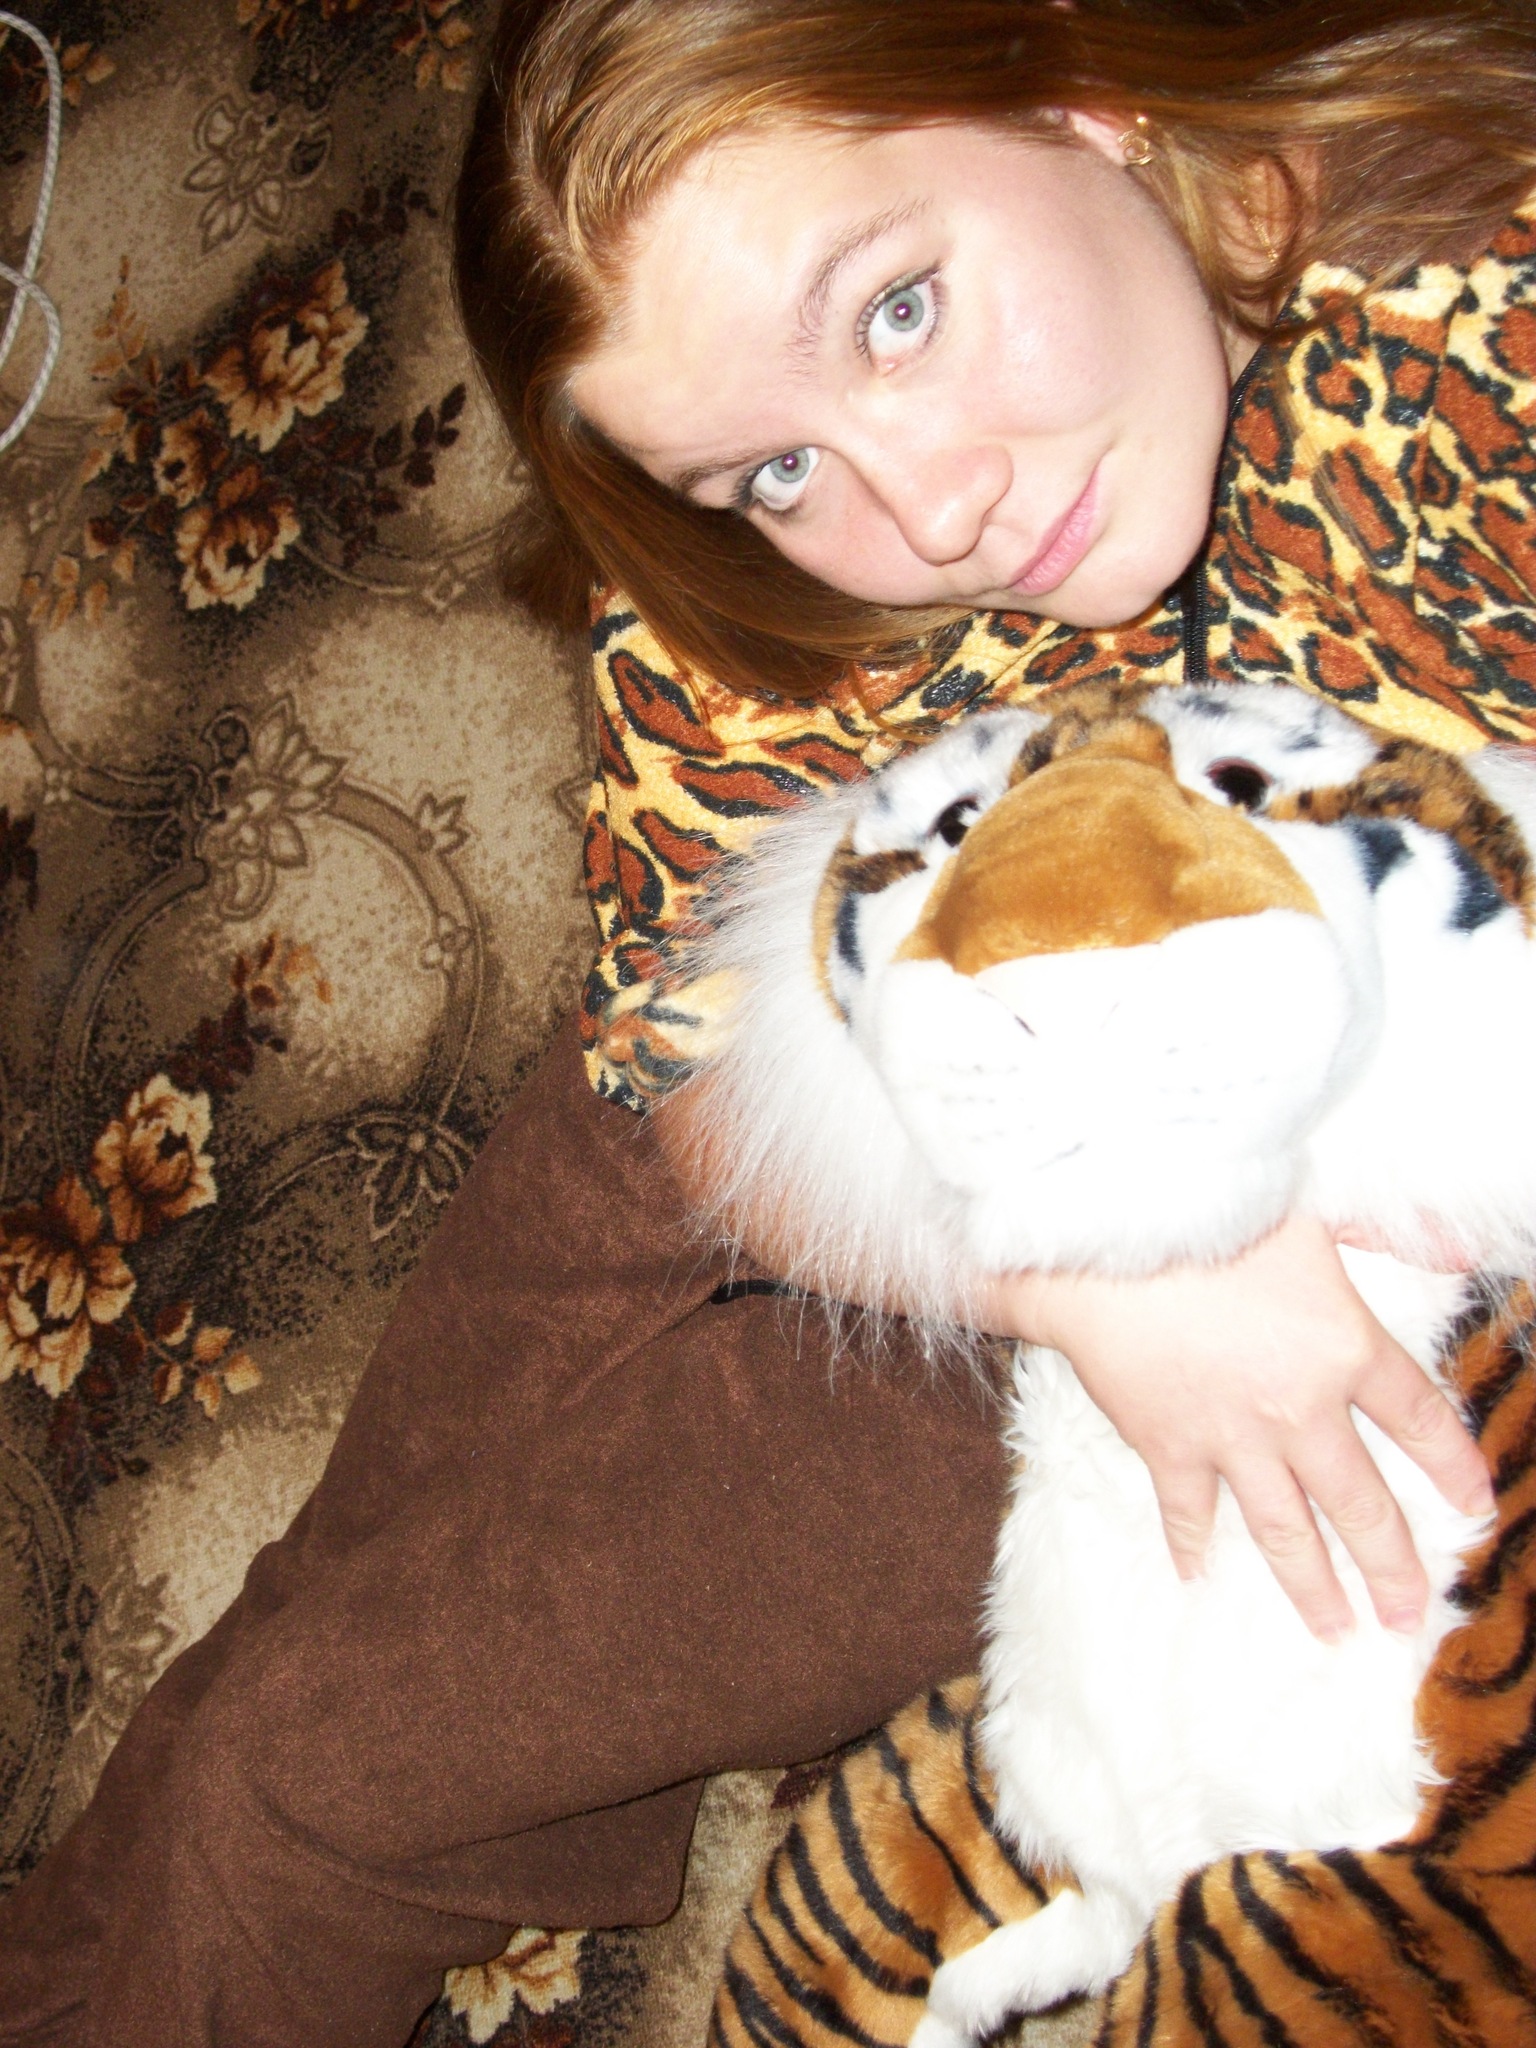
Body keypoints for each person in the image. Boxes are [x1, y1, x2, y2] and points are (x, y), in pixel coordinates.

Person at [2, 1, 1532, 2041]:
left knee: (296, 1780)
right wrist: (1057, 1264)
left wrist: (1128, 1266)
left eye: (899, 308)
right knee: (332, 1566)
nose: (933, 511)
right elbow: (682, 1046)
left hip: (1188, 1299)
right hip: (872, 1066)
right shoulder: (784, 596)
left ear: (1075, 92)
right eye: (778, 468)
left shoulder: (1485, 350)